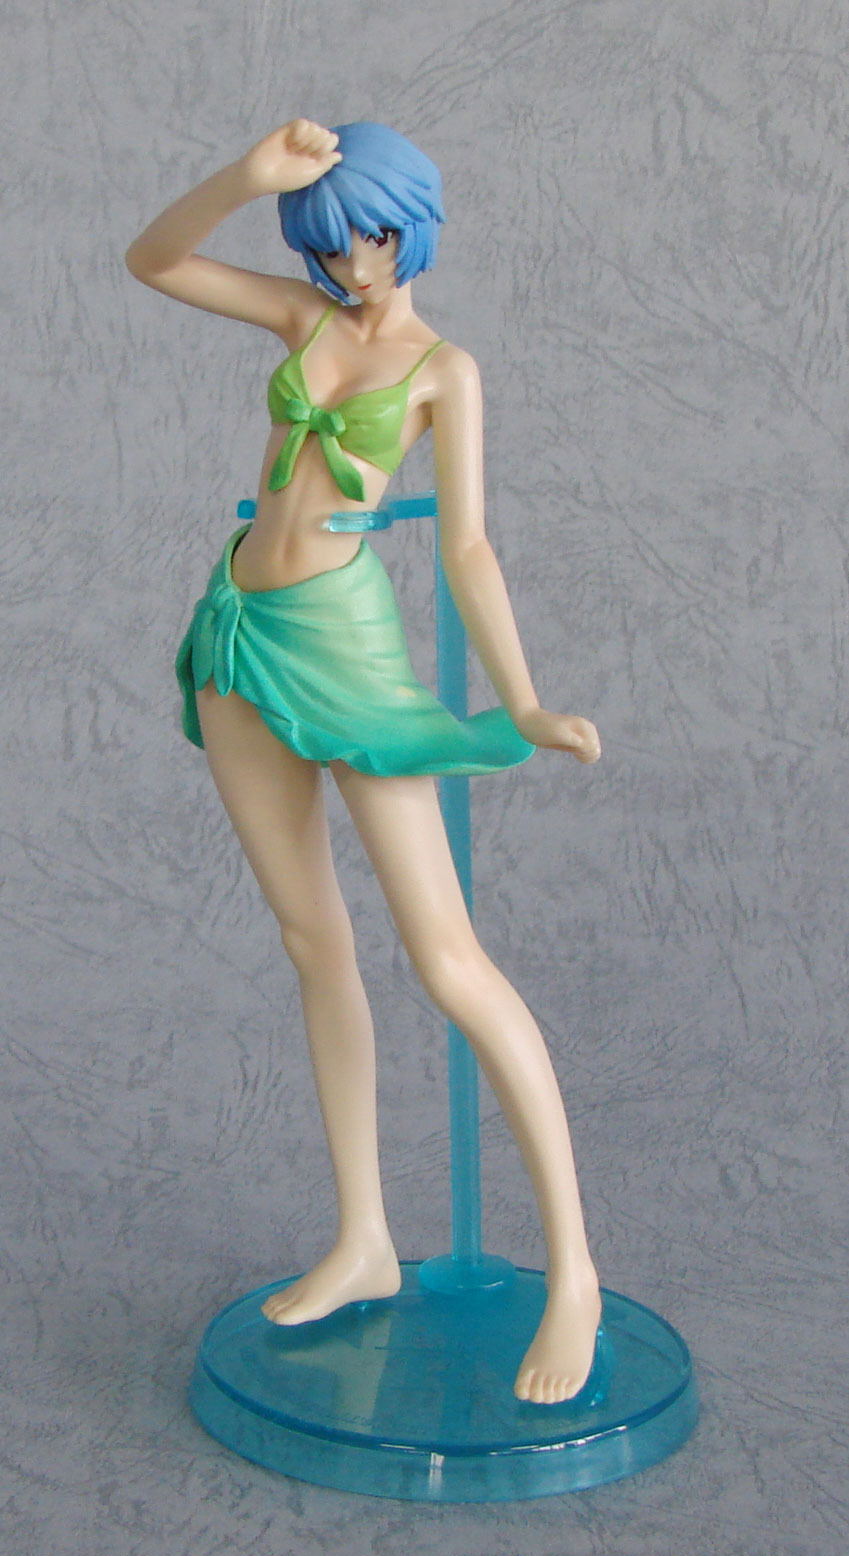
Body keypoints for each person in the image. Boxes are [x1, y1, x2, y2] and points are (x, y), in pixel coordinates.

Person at [125, 118, 603, 1404]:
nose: (354, 265)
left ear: (414, 228)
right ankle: (365, 1239)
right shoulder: (302, 317)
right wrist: (248, 179)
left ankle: (574, 1270)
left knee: (449, 962)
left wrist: (524, 702)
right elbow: (153, 260)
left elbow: (467, 549)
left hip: (343, 642)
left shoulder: (445, 369)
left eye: (374, 237)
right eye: (332, 243)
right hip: (238, 631)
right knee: (311, 941)